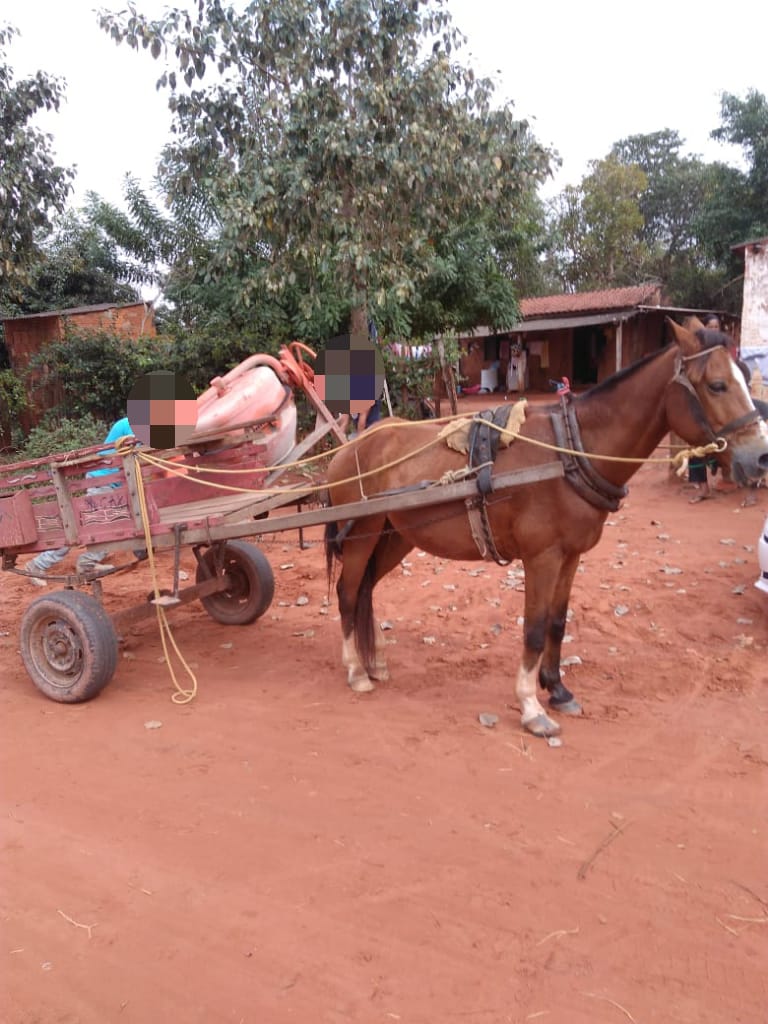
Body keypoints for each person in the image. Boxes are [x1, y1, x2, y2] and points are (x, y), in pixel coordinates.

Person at [23, 417, 139, 585]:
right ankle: (37, 564)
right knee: (83, 528)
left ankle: (88, 563)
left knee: (114, 526)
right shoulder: (131, 425)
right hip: (102, 480)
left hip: (116, 483)